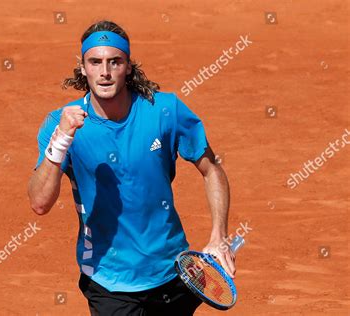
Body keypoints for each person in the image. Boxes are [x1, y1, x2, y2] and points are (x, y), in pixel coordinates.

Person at [28, 20, 236, 316]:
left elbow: (212, 169)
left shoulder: (165, 111)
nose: (105, 72)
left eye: (115, 62)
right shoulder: (60, 125)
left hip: (173, 273)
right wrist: (60, 141)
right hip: (109, 281)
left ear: (128, 66)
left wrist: (219, 237)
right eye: (95, 62)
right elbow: (39, 202)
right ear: (83, 67)